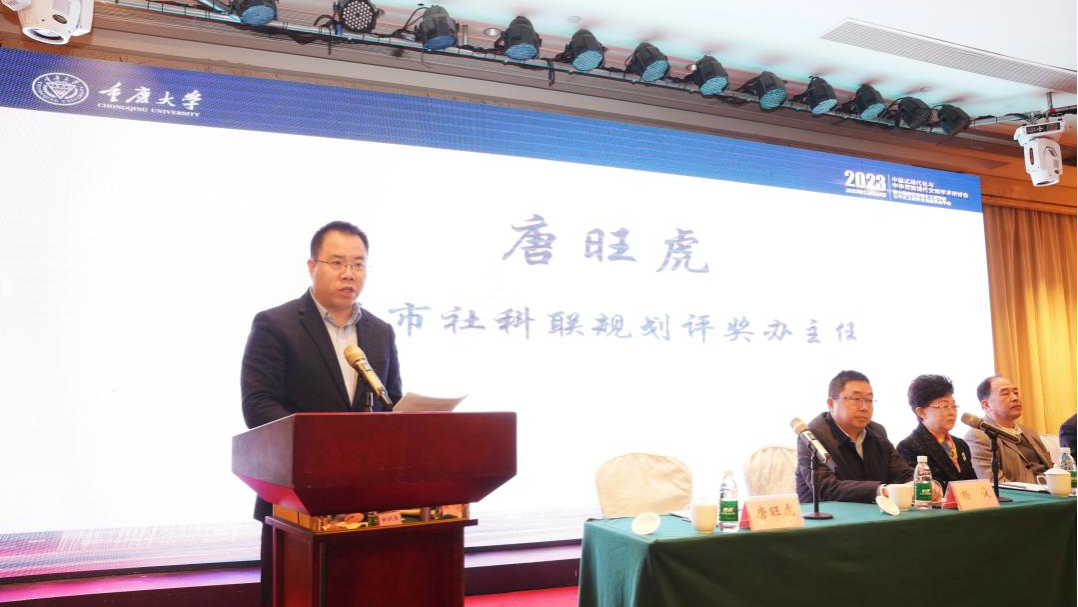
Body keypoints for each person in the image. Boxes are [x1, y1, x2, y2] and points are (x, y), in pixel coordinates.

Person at [240, 221, 403, 607]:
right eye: (337, 262)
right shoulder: (275, 325)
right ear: (312, 266)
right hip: (295, 503)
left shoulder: (380, 332)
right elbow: (259, 405)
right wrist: (321, 447)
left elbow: (391, 402)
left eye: (358, 264)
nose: (349, 273)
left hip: (366, 502)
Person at [795, 370, 913, 503]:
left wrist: (917, 484)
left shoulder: (877, 432)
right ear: (831, 404)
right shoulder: (812, 436)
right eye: (856, 399)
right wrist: (882, 490)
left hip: (874, 513)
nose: (864, 407)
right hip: (826, 514)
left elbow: (903, 473)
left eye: (869, 400)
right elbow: (826, 487)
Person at [964, 375, 1051, 483]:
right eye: (1005, 393)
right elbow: (995, 483)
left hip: (1053, 490)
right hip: (1021, 493)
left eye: (1016, 393)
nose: (1015, 398)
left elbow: (1051, 468)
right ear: (986, 405)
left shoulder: (1029, 432)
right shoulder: (978, 436)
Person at [896, 375, 976, 489]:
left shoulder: (960, 444)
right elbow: (918, 489)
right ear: (921, 412)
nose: (952, 412)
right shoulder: (908, 447)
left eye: (954, 406)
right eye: (944, 406)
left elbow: (973, 484)